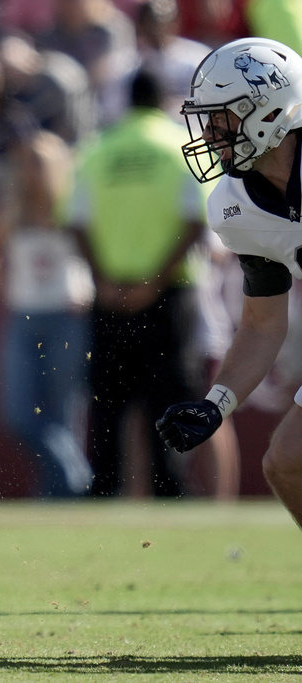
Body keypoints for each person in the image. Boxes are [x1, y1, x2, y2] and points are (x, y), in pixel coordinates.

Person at [157, 39, 302, 513]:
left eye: (223, 117)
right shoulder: (235, 206)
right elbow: (264, 323)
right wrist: (216, 403)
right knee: (287, 463)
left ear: (269, 110)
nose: (212, 133)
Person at [68, 68, 207, 497]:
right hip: (168, 293)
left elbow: (75, 221)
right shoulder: (181, 145)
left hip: (110, 294)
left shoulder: (97, 150)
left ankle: (104, 493)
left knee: (108, 405)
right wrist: (154, 282)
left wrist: (104, 280)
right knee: (169, 401)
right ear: (162, 100)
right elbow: (196, 220)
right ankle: (171, 492)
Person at [0, 130, 94, 497]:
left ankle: (56, 497)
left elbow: (96, 253)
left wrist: (89, 288)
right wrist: (0, 283)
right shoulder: (13, 208)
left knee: (64, 411)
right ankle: (77, 477)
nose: (30, 171)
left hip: (67, 315)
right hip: (24, 316)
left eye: (39, 162)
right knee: (18, 414)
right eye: (26, 163)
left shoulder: (73, 205)